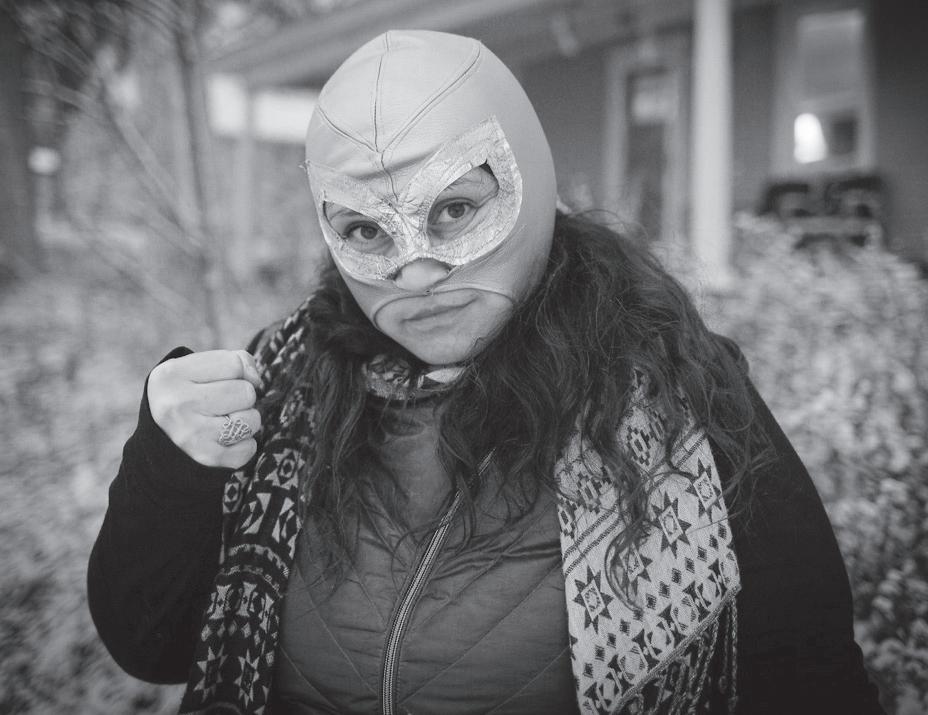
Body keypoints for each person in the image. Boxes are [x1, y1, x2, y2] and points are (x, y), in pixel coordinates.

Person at [88, 30, 885, 715]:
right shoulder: (286, 382)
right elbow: (153, 644)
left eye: (454, 209)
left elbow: (811, 676)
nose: (415, 270)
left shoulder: (677, 393)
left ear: (524, 179)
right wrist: (170, 467)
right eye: (367, 229)